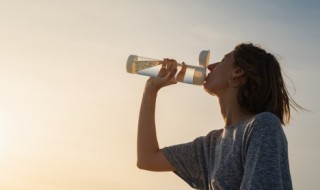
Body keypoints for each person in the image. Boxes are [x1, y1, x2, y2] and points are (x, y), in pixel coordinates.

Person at [136, 43, 302, 190]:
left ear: (237, 72)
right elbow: (147, 159)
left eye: (223, 60)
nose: (211, 66)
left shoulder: (263, 126)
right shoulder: (210, 145)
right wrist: (150, 90)